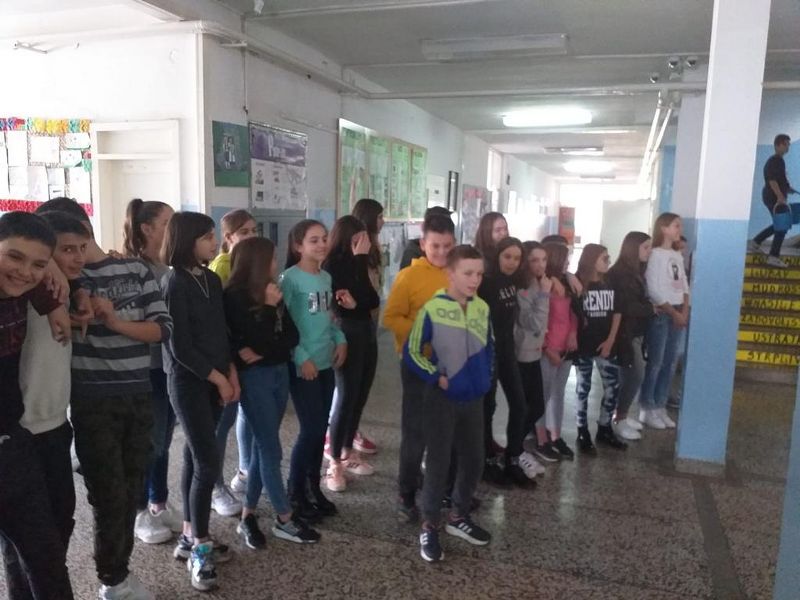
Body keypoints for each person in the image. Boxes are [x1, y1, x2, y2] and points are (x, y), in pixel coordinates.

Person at [67, 200, 173, 599]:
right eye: (62, 249)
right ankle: (112, 579)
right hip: (90, 400)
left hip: (136, 392)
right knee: (107, 494)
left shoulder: (134, 269)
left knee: (131, 489)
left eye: (72, 245)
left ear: (84, 232)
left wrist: (114, 322)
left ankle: (119, 572)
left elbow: (161, 329)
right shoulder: (62, 278)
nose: (69, 256)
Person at [7, 211, 88, 592]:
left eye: (39, 263)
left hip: (46, 428)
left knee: (52, 535)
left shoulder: (48, 290)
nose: (26, 271)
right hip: (20, 435)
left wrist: (65, 291)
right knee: (35, 548)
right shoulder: (23, 288)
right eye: (66, 250)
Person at [223, 237, 320, 548]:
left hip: (278, 373)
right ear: (255, 263)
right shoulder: (234, 297)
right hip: (255, 380)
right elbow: (249, 341)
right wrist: (266, 310)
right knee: (270, 448)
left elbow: (291, 336)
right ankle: (284, 517)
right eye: (271, 259)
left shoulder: (272, 290)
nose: (275, 265)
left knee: (263, 447)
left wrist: (262, 348)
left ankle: (248, 515)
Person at [162, 212, 239, 592]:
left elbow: (221, 332)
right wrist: (218, 378)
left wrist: (230, 372)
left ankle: (189, 535)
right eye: (207, 237)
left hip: (215, 378)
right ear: (187, 240)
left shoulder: (210, 279)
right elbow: (180, 346)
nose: (214, 242)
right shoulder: (174, 282)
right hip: (189, 382)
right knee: (208, 460)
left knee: (196, 456)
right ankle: (201, 545)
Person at [405, 244, 494, 563]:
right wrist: (436, 376)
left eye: (479, 274)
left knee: (474, 459)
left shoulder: (482, 307)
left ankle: (458, 515)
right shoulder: (433, 308)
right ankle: (429, 524)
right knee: (439, 462)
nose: (474, 280)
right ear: (450, 274)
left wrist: (486, 377)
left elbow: (489, 347)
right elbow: (412, 351)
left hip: (474, 398)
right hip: (442, 399)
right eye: (468, 273)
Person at [383, 214, 455, 522]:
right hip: (416, 365)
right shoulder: (408, 277)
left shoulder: (457, 273)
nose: (441, 252)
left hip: (451, 366)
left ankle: (440, 488)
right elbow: (391, 317)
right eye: (435, 246)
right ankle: (406, 492)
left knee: (443, 431)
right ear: (423, 244)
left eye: (447, 246)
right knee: (415, 432)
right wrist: (425, 332)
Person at [121, 198, 183, 545]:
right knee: (150, 443)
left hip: (168, 366)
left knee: (164, 440)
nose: (173, 228)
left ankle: (159, 501)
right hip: (146, 368)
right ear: (147, 229)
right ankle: (139, 509)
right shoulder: (133, 270)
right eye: (166, 222)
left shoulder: (167, 269)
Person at [281, 220, 349, 523]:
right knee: (309, 430)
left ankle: (313, 488)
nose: (321, 244)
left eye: (324, 239)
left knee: (320, 428)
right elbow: (282, 323)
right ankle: (295, 492)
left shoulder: (325, 277)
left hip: (325, 363)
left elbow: (328, 319)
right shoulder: (290, 279)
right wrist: (300, 356)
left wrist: (340, 339)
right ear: (298, 246)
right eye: (313, 240)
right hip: (304, 365)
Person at [323, 216, 381, 491]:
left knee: (360, 394)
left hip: (366, 331)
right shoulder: (333, 264)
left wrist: (357, 303)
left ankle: (347, 450)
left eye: (364, 239)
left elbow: (371, 299)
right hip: (346, 333)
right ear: (346, 238)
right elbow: (341, 304)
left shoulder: (360, 262)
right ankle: (334, 460)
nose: (363, 244)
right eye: (357, 239)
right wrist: (359, 261)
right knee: (346, 396)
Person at [208, 209, 258, 516]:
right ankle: (214, 486)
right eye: (244, 232)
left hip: (247, 357)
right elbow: (224, 320)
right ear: (229, 237)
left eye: (254, 230)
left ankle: (244, 470)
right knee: (221, 423)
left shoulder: (251, 262)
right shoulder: (222, 267)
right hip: (228, 358)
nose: (251, 236)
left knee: (245, 415)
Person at [477, 236, 531, 487]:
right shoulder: (486, 283)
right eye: (507, 256)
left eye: (517, 258)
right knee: (488, 407)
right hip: (488, 351)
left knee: (520, 404)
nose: (511, 262)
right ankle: (486, 461)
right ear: (497, 256)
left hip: (508, 350)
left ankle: (513, 459)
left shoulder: (515, 280)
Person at [572, 243, 627, 454]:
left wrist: (611, 340)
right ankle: (582, 431)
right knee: (583, 388)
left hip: (605, 344)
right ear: (591, 259)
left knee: (613, 386)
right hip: (584, 346)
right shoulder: (578, 283)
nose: (608, 262)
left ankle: (605, 427)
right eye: (604, 258)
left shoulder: (610, 282)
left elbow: (617, 312)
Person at [639, 213, 690, 430]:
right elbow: (653, 289)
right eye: (676, 225)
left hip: (678, 311)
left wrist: (684, 310)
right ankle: (647, 406)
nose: (680, 229)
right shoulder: (656, 255)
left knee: (670, 362)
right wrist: (673, 312)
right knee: (656, 362)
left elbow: (684, 284)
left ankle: (660, 405)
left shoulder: (676, 254)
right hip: (662, 313)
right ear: (664, 229)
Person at [534, 242, 579, 462]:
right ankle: (540, 439)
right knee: (542, 395)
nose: (568, 263)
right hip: (548, 348)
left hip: (565, 347)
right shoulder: (542, 285)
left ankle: (555, 436)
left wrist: (573, 334)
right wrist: (546, 347)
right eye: (565, 259)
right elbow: (538, 320)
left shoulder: (566, 282)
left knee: (558, 394)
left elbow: (573, 313)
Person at [607, 232, 654, 441]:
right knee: (635, 375)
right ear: (633, 248)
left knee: (631, 375)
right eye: (645, 247)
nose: (649, 251)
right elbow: (626, 306)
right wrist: (650, 309)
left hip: (635, 331)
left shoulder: (636, 272)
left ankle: (622, 414)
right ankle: (619, 418)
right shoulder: (620, 274)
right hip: (625, 333)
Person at [349, 197, 386, 453]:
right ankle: (338, 434)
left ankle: (351, 429)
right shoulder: (359, 244)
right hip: (357, 317)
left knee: (363, 380)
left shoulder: (375, 244)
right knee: (350, 383)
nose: (382, 221)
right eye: (380, 216)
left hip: (372, 315)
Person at [512, 241, 550, 475]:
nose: (541, 265)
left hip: (534, 350)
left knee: (534, 405)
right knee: (530, 405)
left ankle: (516, 448)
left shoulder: (539, 281)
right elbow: (533, 322)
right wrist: (544, 294)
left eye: (544, 259)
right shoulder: (524, 287)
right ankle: (515, 450)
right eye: (535, 260)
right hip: (523, 352)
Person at [749, 134, 796, 268]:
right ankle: (773, 256)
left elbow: (779, 180)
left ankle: (756, 242)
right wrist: (780, 196)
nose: (788, 147)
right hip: (774, 197)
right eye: (786, 144)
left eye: (788, 145)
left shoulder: (778, 161)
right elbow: (772, 180)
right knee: (782, 226)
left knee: (780, 224)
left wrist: (787, 189)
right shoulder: (776, 161)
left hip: (773, 196)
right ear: (778, 145)